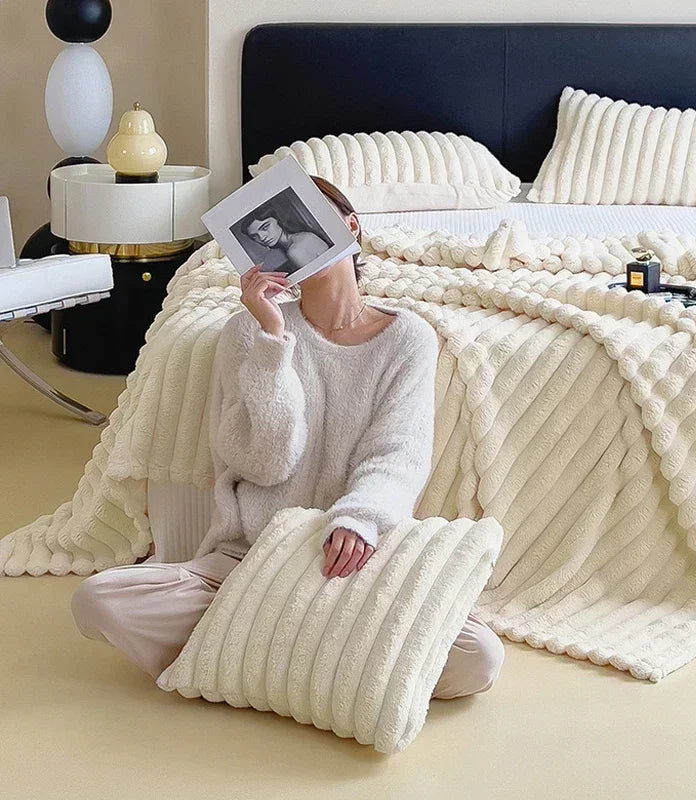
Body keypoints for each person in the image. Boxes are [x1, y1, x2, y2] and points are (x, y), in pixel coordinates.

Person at [71, 176, 504, 700]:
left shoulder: (408, 338)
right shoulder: (247, 333)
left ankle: (253, 660)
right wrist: (273, 340)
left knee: (478, 656)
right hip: (247, 563)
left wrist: (359, 519)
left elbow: (397, 456)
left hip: (350, 560)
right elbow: (267, 463)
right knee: (98, 600)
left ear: (350, 227)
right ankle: (313, 665)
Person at [243, 210, 328, 272]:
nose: (261, 238)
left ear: (277, 220)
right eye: (255, 236)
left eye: (265, 227)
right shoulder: (303, 236)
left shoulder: (295, 251)